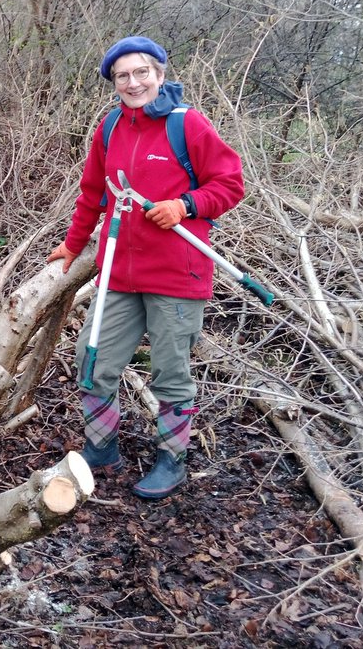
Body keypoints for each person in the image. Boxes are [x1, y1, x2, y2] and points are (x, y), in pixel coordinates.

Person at [47, 35, 244, 500]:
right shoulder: (110, 127)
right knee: (92, 359)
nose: (133, 82)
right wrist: (72, 245)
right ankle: (101, 448)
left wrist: (186, 205)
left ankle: (171, 460)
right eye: (122, 76)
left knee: (171, 373)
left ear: (159, 73)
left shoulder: (187, 124)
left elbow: (230, 183)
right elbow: (93, 193)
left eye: (141, 73)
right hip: (119, 271)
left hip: (179, 274)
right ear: (113, 84)